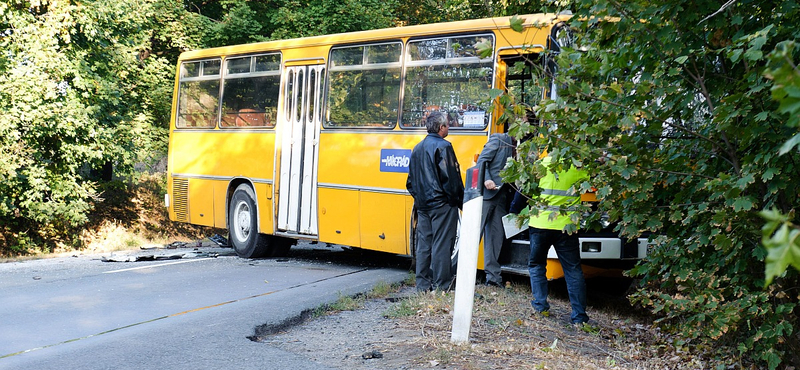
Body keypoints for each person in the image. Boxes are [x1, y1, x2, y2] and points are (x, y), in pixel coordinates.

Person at [527, 155, 590, 324]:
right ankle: (579, 316)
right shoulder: (577, 167)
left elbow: (527, 188)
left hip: (539, 223)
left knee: (537, 264)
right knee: (573, 270)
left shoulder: (539, 165)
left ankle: (540, 305)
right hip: (566, 226)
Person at [406, 111, 464, 292]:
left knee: (424, 244)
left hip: (422, 205)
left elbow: (410, 182)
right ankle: (441, 285)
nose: (449, 127)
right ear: (441, 128)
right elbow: (451, 180)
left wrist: (420, 199)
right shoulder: (444, 147)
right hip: (442, 205)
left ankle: (422, 285)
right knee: (442, 244)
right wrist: (460, 202)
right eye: (447, 124)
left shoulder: (417, 148)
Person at [475, 133, 514, 287]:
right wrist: (487, 179)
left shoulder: (525, 146)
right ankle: (460, 276)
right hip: (487, 194)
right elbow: (482, 161)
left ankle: (493, 278)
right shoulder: (499, 139)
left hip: (501, 195)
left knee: (495, 237)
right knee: (474, 235)